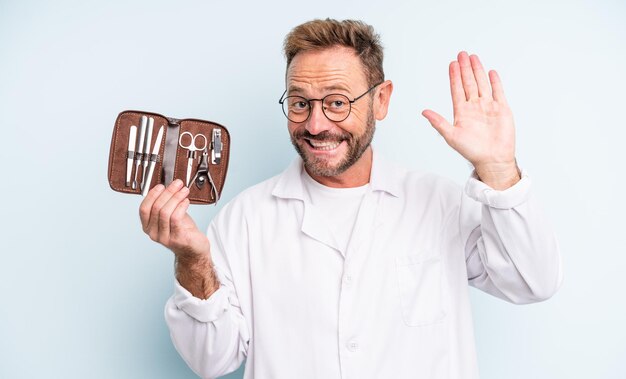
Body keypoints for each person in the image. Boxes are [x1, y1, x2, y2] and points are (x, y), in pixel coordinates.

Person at [139, 19, 562, 379]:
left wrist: (499, 169)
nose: (316, 124)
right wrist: (192, 261)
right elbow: (210, 359)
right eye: (300, 103)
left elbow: (533, 282)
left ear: (381, 100)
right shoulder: (245, 219)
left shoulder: (440, 203)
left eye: (337, 102)